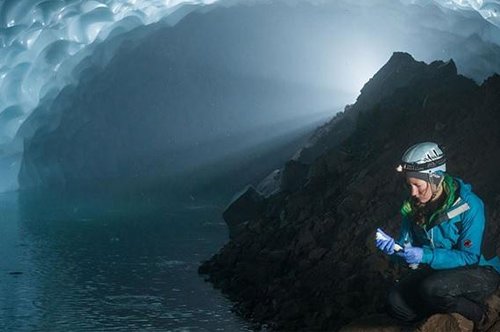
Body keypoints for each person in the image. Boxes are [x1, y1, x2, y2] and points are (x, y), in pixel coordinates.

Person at [375, 142, 500, 330]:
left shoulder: (469, 206)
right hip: (439, 269)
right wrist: (394, 249)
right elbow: (407, 249)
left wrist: (426, 255)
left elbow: (470, 257)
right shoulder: (414, 207)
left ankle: (481, 315)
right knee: (396, 302)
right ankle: (437, 316)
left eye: (418, 186)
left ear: (435, 178)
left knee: (432, 288)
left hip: (480, 271)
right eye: (410, 186)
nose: (413, 193)